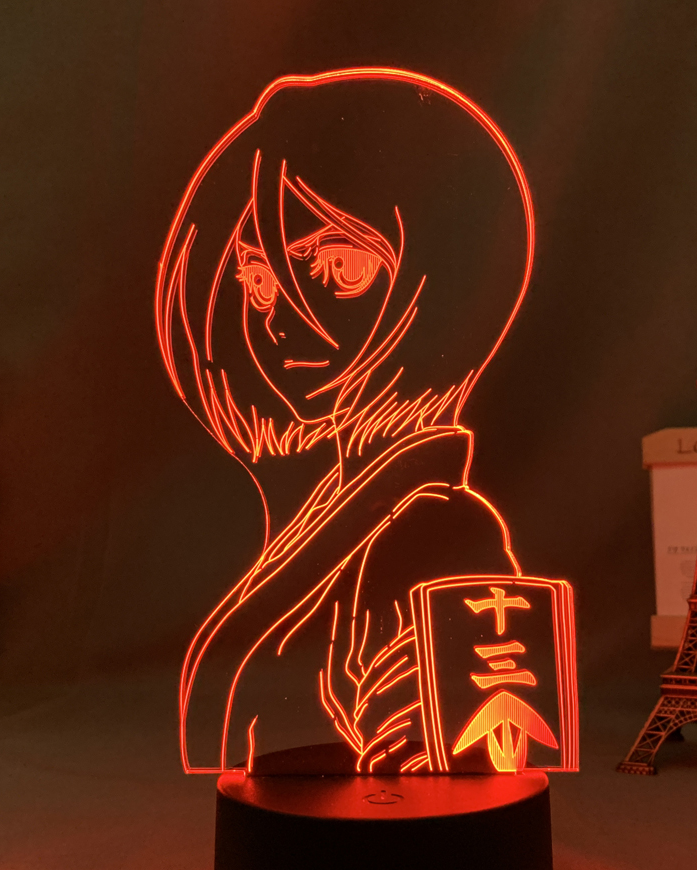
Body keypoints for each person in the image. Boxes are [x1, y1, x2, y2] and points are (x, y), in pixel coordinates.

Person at [156, 69, 536, 773]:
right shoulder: (342, 504)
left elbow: (454, 763)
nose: (284, 322)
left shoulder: (435, 527)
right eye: (259, 280)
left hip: (350, 841)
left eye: (341, 269)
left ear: (441, 280)